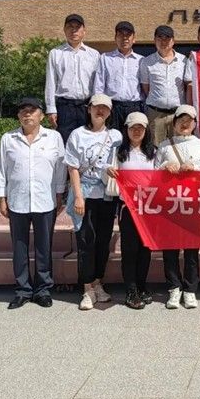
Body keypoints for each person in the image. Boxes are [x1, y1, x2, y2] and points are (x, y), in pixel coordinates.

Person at [0, 97, 66, 309]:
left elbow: (60, 168)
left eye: (32, 110)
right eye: (23, 111)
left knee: (44, 247)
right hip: (18, 201)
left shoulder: (53, 138)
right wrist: (1, 198)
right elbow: (1, 169)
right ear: (18, 116)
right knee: (19, 247)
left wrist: (59, 194)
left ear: (41, 115)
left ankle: (43, 290)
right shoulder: (8, 139)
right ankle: (23, 290)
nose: (27, 114)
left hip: (45, 200)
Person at [65, 94, 123, 310]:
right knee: (86, 242)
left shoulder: (116, 135)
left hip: (107, 196)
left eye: (105, 108)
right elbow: (72, 168)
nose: (101, 111)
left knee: (103, 242)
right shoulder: (77, 135)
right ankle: (87, 288)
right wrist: (79, 196)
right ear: (89, 109)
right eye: (97, 107)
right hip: (85, 196)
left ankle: (98, 282)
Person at [155, 104, 200, 309]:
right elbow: (152, 173)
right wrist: (165, 166)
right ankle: (174, 287)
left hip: (193, 203)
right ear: (174, 123)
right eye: (181, 120)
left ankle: (190, 289)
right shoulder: (164, 146)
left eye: (189, 120)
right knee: (170, 248)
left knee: (191, 249)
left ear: (195, 123)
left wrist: (195, 168)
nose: (184, 123)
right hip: (170, 203)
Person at [104, 112, 156, 310]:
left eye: (140, 128)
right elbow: (107, 175)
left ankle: (142, 286)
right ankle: (131, 290)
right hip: (128, 208)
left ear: (146, 130)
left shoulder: (153, 152)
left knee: (145, 249)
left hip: (149, 208)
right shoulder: (118, 152)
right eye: (133, 127)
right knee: (130, 249)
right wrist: (108, 171)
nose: (136, 131)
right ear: (126, 129)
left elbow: (160, 176)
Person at [44, 13, 100, 143]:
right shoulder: (56, 53)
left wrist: (96, 107)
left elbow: (97, 84)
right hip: (65, 107)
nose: (74, 30)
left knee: (88, 142)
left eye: (77, 27)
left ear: (84, 31)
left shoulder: (94, 55)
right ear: (64, 30)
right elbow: (51, 82)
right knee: (65, 143)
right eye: (70, 27)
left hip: (87, 107)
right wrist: (51, 109)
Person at [139, 25, 187, 145]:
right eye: (160, 38)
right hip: (155, 115)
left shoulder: (184, 61)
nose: (163, 42)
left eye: (167, 38)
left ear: (173, 41)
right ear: (154, 40)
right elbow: (146, 88)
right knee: (156, 148)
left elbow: (187, 86)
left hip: (177, 114)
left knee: (178, 147)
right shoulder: (147, 62)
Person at [93, 21, 145, 130]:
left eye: (128, 35)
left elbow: (145, 87)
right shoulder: (105, 58)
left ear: (134, 39)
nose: (124, 38)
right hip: (112, 107)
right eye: (120, 34)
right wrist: (99, 107)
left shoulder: (141, 60)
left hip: (134, 107)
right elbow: (99, 86)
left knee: (133, 138)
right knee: (111, 137)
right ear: (115, 38)